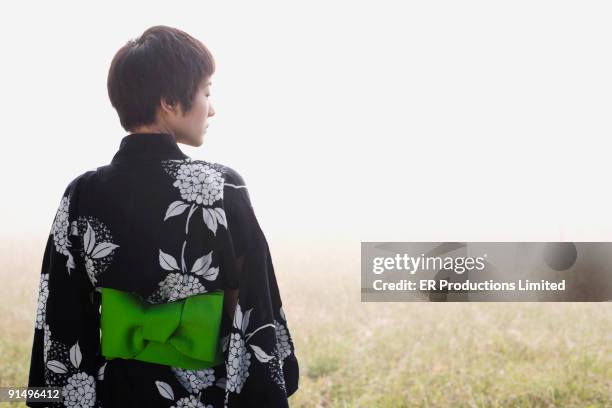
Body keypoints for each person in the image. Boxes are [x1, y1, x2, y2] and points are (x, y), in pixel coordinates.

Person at [26, 25, 299, 407]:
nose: (212, 106)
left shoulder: (82, 193)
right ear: (170, 101)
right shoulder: (221, 187)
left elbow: (62, 315)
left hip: (116, 394)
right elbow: (252, 308)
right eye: (206, 91)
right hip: (205, 396)